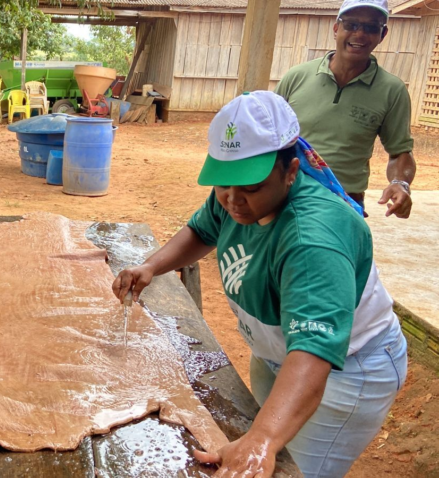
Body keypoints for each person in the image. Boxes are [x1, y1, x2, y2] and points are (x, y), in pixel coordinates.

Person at [113, 91, 407, 478]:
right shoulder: (235, 193)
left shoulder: (312, 239)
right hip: (278, 353)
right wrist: (151, 266)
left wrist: (264, 437)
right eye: (223, 184)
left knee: (288, 467)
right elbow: (203, 231)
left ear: (291, 170)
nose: (233, 200)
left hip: (343, 369)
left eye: (250, 188)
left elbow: (313, 352)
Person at [275, 0, 416, 219]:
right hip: (286, 194)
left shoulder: (392, 90)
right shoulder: (297, 76)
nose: (359, 34)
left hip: (342, 202)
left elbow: (399, 152)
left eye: (371, 27)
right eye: (351, 24)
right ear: (336, 28)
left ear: (383, 34)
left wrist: (400, 183)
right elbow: (268, 134)